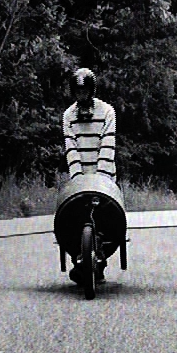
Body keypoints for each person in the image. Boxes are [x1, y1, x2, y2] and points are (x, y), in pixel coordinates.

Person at [62, 68, 116, 284]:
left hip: (104, 175)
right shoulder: (68, 115)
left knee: (105, 217)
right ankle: (79, 259)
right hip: (80, 177)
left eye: (84, 90)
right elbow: (71, 148)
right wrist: (77, 179)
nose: (81, 95)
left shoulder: (107, 111)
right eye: (77, 91)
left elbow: (108, 144)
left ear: (91, 90)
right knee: (74, 216)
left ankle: (100, 261)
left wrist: (101, 179)